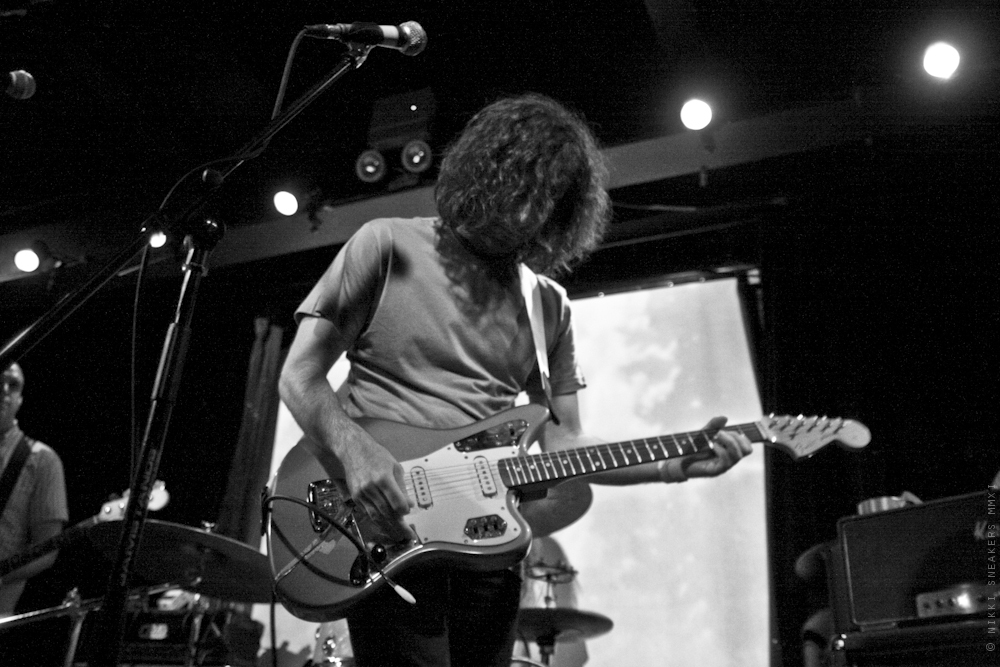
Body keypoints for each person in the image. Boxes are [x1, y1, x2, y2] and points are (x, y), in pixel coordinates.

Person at [279, 93, 753, 666]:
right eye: (517, 191)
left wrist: (675, 464)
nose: (526, 216)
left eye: (544, 201)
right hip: (386, 526)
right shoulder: (386, 245)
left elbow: (564, 443)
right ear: (482, 172)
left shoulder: (548, 306)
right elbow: (299, 375)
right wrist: (355, 452)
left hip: (488, 546)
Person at [0, 361, 69, 617]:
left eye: (13, 385)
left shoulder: (42, 460)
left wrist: (3, 576)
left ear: (20, 398)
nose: (4, 391)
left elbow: (46, 551)